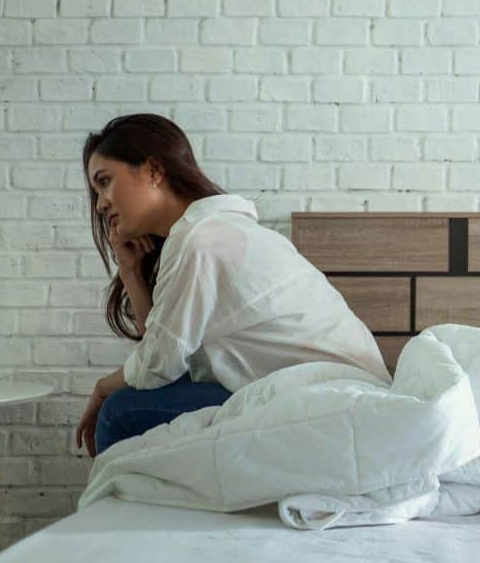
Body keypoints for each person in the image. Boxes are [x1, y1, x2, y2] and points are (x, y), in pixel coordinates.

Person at [75, 114, 389, 457]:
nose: (101, 203)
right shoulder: (211, 230)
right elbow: (163, 354)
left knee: (120, 412)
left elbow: (156, 366)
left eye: (105, 182)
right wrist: (131, 273)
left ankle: (121, 510)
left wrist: (102, 387)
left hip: (332, 400)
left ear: (153, 170)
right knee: (134, 399)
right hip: (329, 389)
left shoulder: (202, 241)